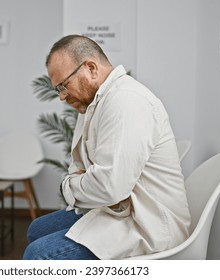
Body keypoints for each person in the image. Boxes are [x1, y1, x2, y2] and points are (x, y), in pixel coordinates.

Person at [23, 35, 191, 260]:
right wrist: (93, 183)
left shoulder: (125, 101)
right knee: (37, 229)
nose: (62, 96)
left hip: (147, 225)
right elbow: (82, 169)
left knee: (38, 255)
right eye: (57, 90)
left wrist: (69, 186)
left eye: (64, 85)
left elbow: (109, 188)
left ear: (91, 67)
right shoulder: (93, 104)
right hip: (117, 210)